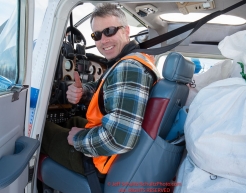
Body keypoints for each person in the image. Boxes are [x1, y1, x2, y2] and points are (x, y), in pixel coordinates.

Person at [41, 3, 159, 176]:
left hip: (103, 160)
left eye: (110, 31)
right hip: (119, 150)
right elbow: (105, 90)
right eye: (97, 35)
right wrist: (83, 92)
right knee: (70, 122)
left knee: (40, 131)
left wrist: (78, 139)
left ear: (126, 31)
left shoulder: (128, 68)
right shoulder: (134, 61)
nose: (103, 40)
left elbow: (120, 139)